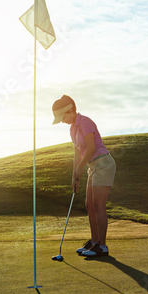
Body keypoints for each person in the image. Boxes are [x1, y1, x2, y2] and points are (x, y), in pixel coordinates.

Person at [52, 95, 116, 257]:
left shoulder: (85, 122)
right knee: (89, 205)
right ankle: (94, 241)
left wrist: (81, 167)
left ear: (70, 110)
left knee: (98, 204)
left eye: (63, 117)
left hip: (103, 163)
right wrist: (75, 174)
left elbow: (91, 148)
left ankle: (102, 246)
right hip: (92, 166)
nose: (62, 121)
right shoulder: (72, 128)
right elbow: (77, 153)